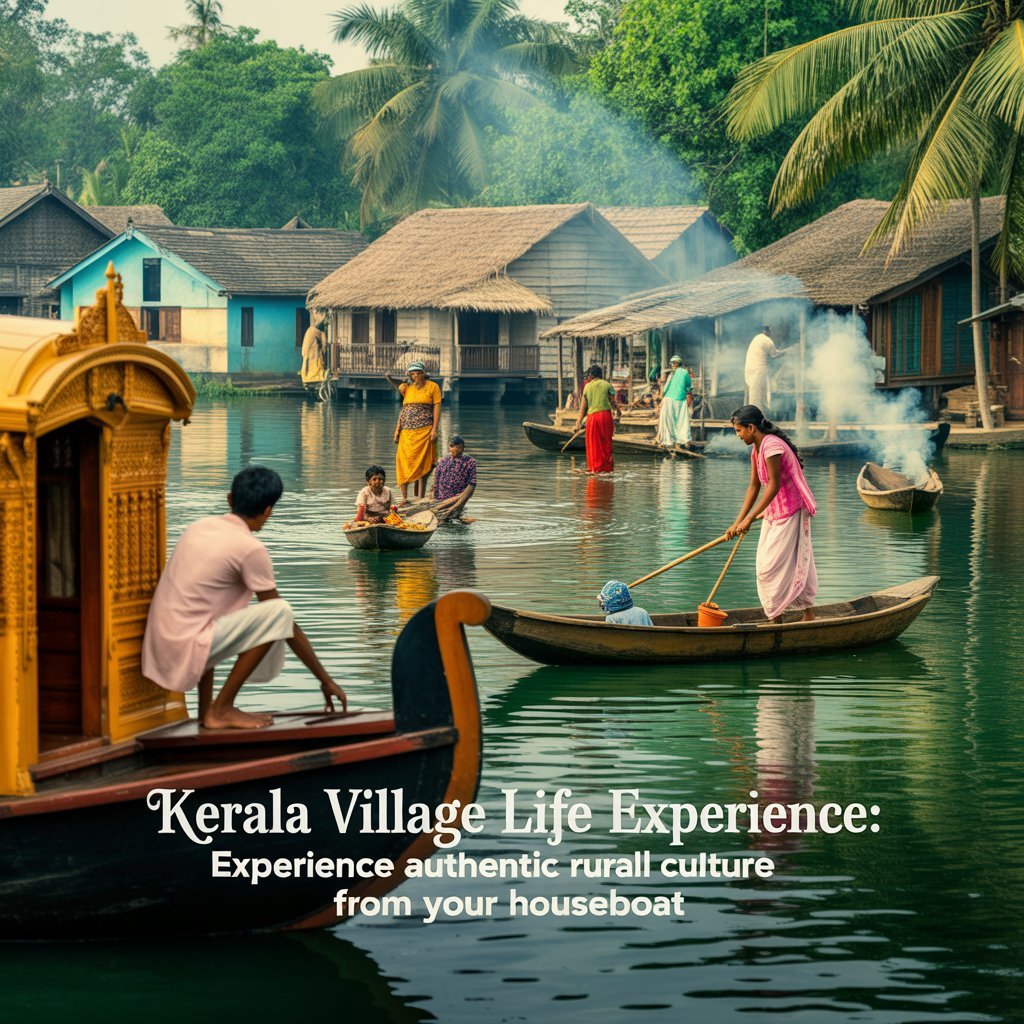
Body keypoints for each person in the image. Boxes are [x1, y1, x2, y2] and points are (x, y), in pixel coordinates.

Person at [142, 466, 347, 730]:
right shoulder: (251, 549)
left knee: (218, 616)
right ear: (268, 510)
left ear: (229, 499)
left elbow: (203, 614)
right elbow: (282, 619)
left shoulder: (198, 527)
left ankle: (208, 712)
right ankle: (222, 708)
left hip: (161, 641)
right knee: (278, 612)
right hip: (185, 645)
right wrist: (325, 679)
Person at [726, 405, 817, 622]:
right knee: (779, 564)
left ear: (751, 427)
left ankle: (779, 619)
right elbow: (753, 487)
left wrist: (748, 519)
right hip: (774, 513)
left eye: (739, 430)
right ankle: (796, 616)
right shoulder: (757, 450)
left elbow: (773, 485)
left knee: (769, 569)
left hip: (791, 510)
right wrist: (737, 522)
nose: (738, 435)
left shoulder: (772, 446)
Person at [385, 361, 441, 500]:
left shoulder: (433, 387)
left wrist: (434, 430)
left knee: (423, 463)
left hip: (425, 431)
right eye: (413, 373)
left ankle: (419, 498)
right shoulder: (408, 387)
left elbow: (437, 408)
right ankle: (405, 498)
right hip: (406, 432)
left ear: (423, 373)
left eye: (418, 373)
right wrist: (389, 377)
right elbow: (397, 384)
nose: (416, 376)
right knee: (403, 463)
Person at [574, 364, 619, 474]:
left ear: (591, 376)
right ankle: (607, 469)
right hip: (606, 416)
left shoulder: (587, 387)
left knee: (593, 444)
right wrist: (618, 412)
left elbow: (583, 408)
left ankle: (595, 469)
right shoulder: (607, 385)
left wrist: (578, 422)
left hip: (593, 418)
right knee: (606, 443)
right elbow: (613, 401)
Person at [744, 326, 788, 414]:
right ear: (768, 331)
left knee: (756, 394)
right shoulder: (767, 340)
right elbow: (774, 354)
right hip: (759, 370)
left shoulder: (756, 338)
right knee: (759, 395)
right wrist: (787, 351)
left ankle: (758, 415)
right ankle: (758, 417)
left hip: (750, 370)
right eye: (771, 331)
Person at [431, 435, 477, 519]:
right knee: (442, 516)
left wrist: (463, 497)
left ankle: (457, 512)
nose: (452, 454)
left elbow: (472, 482)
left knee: (455, 514)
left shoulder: (470, 462)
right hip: (442, 495)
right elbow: (437, 478)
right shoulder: (443, 460)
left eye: (455, 451)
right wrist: (434, 493)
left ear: (461, 448)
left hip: (458, 495)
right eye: (451, 451)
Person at [656, 355, 693, 447]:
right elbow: (689, 386)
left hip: (670, 399)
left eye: (673, 363)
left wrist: (662, 394)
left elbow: (666, 388)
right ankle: (683, 440)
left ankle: (670, 440)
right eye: (671, 363)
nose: (672, 365)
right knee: (681, 420)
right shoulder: (683, 373)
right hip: (679, 399)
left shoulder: (672, 374)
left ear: (677, 363)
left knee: (669, 421)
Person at [300, 319, 328, 384]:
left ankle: (306, 378)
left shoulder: (310, 330)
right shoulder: (318, 332)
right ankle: (309, 378)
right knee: (314, 365)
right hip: (313, 353)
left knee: (306, 364)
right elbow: (324, 344)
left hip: (308, 352)